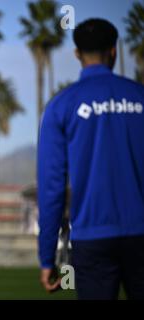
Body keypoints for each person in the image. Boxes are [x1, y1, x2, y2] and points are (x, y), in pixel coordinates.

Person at [38, 18, 144, 299]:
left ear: (77, 54)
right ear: (114, 51)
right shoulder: (140, 96)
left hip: (92, 239)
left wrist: (47, 257)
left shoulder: (61, 105)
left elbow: (51, 187)